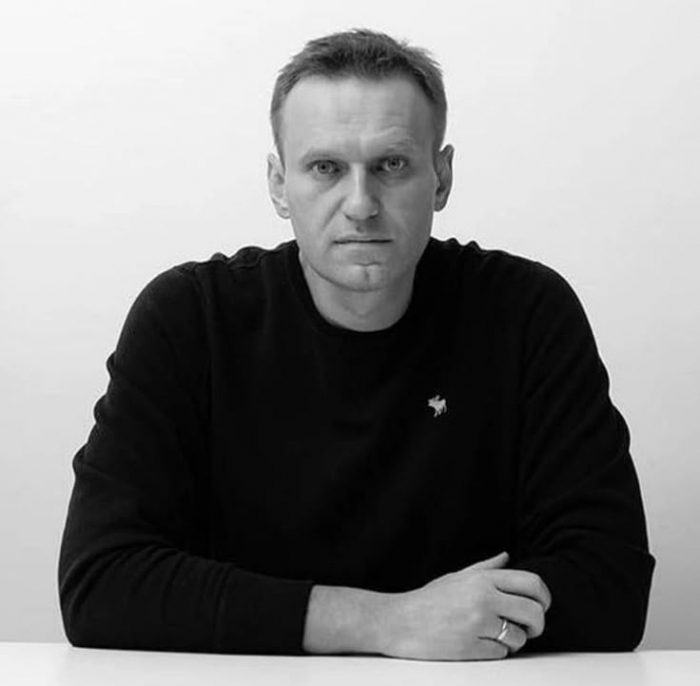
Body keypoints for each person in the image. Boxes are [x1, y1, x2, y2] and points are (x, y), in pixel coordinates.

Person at [58, 29, 655, 661]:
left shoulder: (527, 314)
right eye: (326, 168)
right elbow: (101, 582)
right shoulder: (189, 320)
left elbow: (610, 583)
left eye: (391, 165)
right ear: (279, 184)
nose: (361, 204)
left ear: (442, 177)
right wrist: (386, 623)